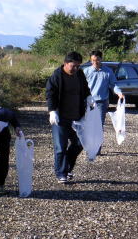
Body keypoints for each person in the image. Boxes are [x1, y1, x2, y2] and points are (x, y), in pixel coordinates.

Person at [46, 51, 93, 184]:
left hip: (77, 117)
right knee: (60, 147)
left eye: (79, 66)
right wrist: (52, 111)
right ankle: (61, 173)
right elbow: (50, 94)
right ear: (66, 63)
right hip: (60, 118)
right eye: (74, 66)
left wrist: (88, 97)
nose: (76, 68)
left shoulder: (79, 74)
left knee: (79, 143)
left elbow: (85, 88)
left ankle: (67, 168)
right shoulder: (56, 76)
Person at [83, 50, 124, 155]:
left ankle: (96, 149)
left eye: (97, 60)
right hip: (88, 102)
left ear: (101, 59)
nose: (95, 62)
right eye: (92, 60)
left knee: (98, 125)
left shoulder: (108, 71)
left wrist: (119, 93)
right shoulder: (86, 71)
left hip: (101, 102)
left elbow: (113, 85)